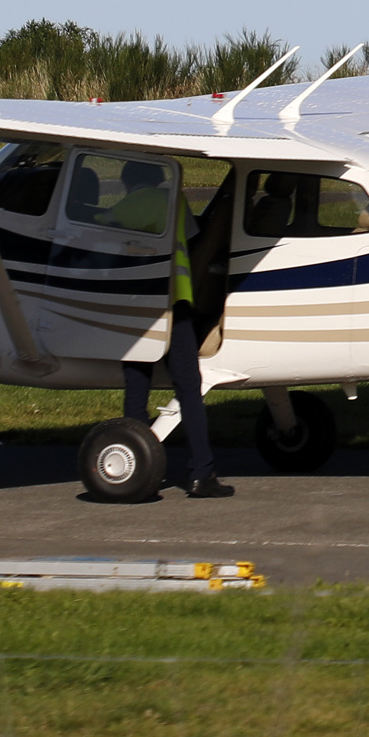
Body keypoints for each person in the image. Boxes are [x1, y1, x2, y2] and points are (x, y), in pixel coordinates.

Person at [113, 161, 233, 499]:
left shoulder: (131, 203)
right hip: (177, 301)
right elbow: (193, 236)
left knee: (137, 385)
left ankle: (135, 465)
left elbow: (107, 232)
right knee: (188, 387)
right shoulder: (175, 201)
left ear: (127, 183)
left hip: (140, 305)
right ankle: (201, 473)